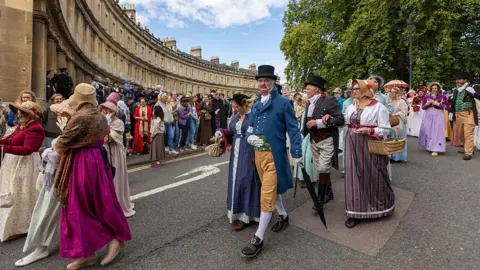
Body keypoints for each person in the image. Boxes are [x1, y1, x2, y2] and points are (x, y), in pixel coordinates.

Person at [51, 83, 131, 269]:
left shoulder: (80, 117)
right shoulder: (99, 116)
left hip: (81, 162)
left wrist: (65, 129)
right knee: (102, 201)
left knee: (78, 206)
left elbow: (60, 145)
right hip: (96, 160)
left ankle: (89, 252)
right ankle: (111, 240)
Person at [241, 65, 302, 257]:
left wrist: (297, 151)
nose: (263, 83)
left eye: (267, 80)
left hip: (274, 155)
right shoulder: (257, 104)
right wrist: (248, 137)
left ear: (273, 82)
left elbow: (293, 129)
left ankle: (258, 237)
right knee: (271, 190)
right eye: (260, 80)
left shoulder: (284, 103)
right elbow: (250, 127)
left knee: (266, 193)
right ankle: (283, 216)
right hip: (258, 155)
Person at [343, 79, 394, 228]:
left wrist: (370, 130)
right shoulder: (351, 107)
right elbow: (345, 123)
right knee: (353, 178)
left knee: (374, 175)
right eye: (353, 89)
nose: (354, 91)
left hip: (370, 144)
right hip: (351, 144)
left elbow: (386, 129)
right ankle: (354, 212)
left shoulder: (378, 107)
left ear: (366, 90)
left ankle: (380, 207)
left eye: (357, 88)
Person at [0, 101, 45, 242]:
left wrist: (3, 149)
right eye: (19, 111)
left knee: (21, 194)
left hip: (25, 164)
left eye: (23, 112)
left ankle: (21, 227)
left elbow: (28, 150)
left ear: (33, 115)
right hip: (14, 163)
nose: (19, 114)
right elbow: (8, 140)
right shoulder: (21, 126)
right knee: (11, 192)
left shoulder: (35, 129)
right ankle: (10, 225)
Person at [215, 94, 260, 231]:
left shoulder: (254, 116)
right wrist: (221, 132)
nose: (233, 110)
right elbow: (231, 131)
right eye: (232, 107)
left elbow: (258, 133)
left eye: (236, 107)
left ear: (244, 105)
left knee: (246, 180)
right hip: (236, 151)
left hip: (249, 151)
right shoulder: (235, 117)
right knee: (235, 180)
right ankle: (237, 211)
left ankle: (247, 215)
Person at [15, 138, 61, 267]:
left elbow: (59, 154)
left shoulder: (81, 125)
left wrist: (48, 151)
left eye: (23, 115)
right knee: (45, 211)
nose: (19, 117)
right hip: (52, 176)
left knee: (46, 213)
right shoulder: (69, 126)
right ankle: (40, 248)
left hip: (62, 178)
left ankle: (40, 249)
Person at [302, 75, 344, 208]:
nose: (305, 91)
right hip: (314, 140)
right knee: (321, 168)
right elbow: (307, 122)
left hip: (326, 139)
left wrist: (319, 122)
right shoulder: (309, 102)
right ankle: (328, 192)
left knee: (323, 168)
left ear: (316, 90)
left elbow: (340, 120)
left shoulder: (329, 100)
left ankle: (320, 199)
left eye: (308, 88)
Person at [100, 98, 136, 218]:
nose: (105, 111)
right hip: (104, 152)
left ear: (114, 111)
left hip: (115, 152)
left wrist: (107, 123)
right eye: (104, 108)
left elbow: (107, 139)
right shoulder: (101, 121)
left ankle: (118, 203)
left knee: (116, 177)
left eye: (108, 109)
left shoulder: (118, 123)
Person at [449, 73, 480, 160]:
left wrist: (474, 93)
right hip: (458, 114)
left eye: (459, 79)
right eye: (457, 79)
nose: (457, 81)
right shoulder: (456, 90)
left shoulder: (472, 87)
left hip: (468, 113)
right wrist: (451, 112)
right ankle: (467, 148)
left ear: (465, 80)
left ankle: (468, 152)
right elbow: (454, 102)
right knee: (461, 134)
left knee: (468, 133)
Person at [418, 82, 449, 156]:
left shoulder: (443, 96)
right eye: (433, 88)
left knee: (437, 131)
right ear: (431, 89)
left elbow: (447, 107)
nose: (434, 89)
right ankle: (429, 145)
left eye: (436, 88)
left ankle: (436, 148)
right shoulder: (426, 96)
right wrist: (427, 104)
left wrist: (438, 104)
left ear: (438, 89)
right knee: (428, 130)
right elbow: (423, 107)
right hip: (428, 113)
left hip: (438, 114)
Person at [389, 87, 409, 162]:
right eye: (391, 92)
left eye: (394, 92)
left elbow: (404, 112)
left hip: (399, 122)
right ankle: (391, 156)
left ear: (397, 93)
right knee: (391, 138)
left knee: (399, 139)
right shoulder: (388, 101)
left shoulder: (402, 102)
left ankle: (399, 157)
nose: (392, 93)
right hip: (390, 122)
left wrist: (396, 114)